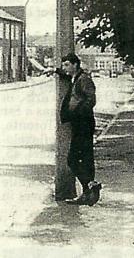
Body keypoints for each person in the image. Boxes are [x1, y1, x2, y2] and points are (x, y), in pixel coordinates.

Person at [44, 53, 102, 206]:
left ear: (76, 65)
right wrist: (56, 70)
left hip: (83, 123)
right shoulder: (75, 77)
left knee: (74, 160)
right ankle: (88, 191)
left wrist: (77, 113)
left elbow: (91, 99)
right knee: (85, 158)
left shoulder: (84, 79)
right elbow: (65, 73)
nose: (65, 68)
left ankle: (90, 186)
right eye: (64, 65)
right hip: (80, 123)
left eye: (67, 64)